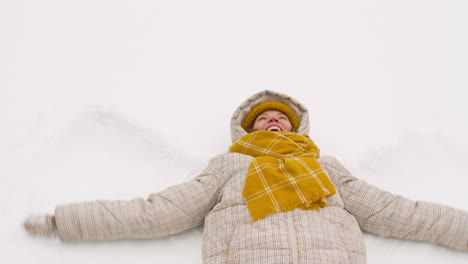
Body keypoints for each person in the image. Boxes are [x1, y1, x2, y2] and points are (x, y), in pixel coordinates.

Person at [24, 90, 468, 263]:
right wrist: (68, 222)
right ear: (246, 128)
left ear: (296, 127)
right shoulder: (227, 166)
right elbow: (160, 211)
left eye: (281, 118)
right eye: (263, 119)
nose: (273, 122)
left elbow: (396, 211)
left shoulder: (325, 168)